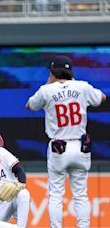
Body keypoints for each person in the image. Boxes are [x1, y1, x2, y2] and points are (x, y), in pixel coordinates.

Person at [26, 55, 107, 228]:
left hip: (59, 147)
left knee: (56, 194)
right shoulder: (82, 86)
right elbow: (102, 99)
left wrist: (50, 84)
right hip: (81, 146)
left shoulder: (46, 90)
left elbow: (30, 106)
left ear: (53, 72)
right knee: (81, 195)